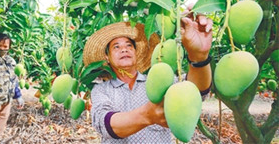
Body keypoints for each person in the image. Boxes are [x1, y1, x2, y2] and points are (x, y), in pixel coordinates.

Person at [83, 12, 213, 143]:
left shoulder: (160, 81)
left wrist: (199, 56)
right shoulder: (101, 89)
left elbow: (194, 90)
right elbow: (105, 124)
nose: (124, 49)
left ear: (135, 52)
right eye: (116, 47)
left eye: (129, 45)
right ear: (107, 57)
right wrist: (147, 115)